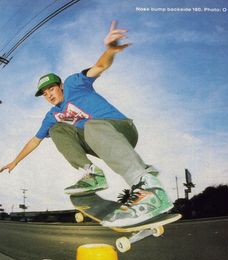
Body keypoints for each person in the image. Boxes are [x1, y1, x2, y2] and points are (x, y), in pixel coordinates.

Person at [0, 20, 173, 227]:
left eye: (52, 90)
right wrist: (15, 161)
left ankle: (148, 188)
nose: (49, 95)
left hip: (121, 130)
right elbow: (35, 141)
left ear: (61, 86)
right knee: (57, 129)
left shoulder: (74, 84)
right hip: (99, 144)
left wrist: (110, 50)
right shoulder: (52, 114)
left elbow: (99, 66)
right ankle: (91, 173)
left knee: (90, 124)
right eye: (45, 94)